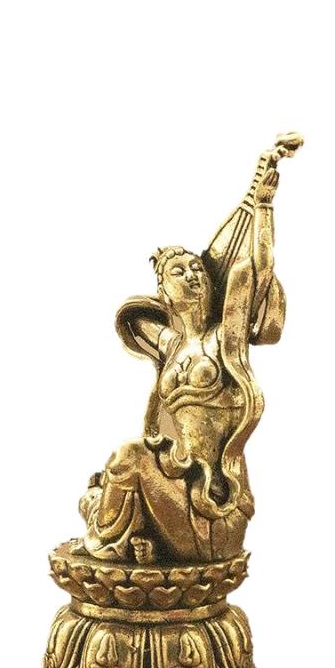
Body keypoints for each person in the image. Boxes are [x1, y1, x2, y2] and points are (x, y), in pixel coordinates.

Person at [75, 134, 300, 563]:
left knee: (129, 457)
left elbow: (255, 270)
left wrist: (262, 204)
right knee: (124, 463)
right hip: (175, 482)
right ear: (164, 290)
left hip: (214, 504)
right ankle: (129, 537)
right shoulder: (171, 346)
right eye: (180, 272)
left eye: (198, 268)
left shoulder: (224, 340)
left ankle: (107, 544)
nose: (194, 275)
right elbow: (131, 322)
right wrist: (161, 305)